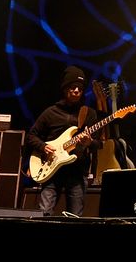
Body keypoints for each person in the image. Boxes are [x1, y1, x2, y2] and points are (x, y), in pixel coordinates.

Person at [28, 65, 94, 216]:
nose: (76, 90)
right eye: (72, 87)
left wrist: (89, 143)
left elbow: (98, 143)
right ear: (65, 89)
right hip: (51, 170)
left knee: (75, 217)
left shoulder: (89, 113)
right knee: (44, 214)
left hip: (77, 171)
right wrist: (43, 147)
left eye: (80, 88)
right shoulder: (50, 112)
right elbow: (31, 136)